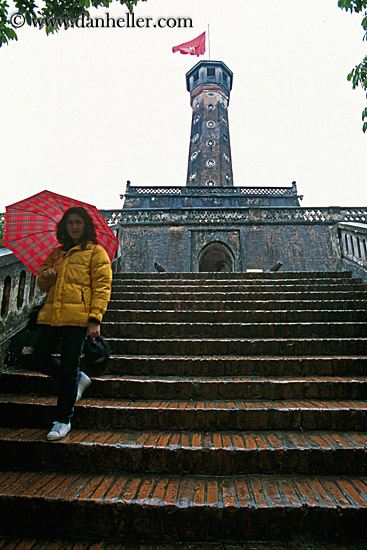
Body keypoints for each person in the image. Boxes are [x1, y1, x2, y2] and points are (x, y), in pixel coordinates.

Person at [32, 206, 112, 441]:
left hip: (78, 318)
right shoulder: (57, 254)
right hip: (51, 315)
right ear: (64, 227)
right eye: (70, 222)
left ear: (86, 226)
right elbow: (41, 284)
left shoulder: (96, 253)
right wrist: (46, 276)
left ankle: (63, 419)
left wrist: (95, 318)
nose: (75, 226)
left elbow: (102, 286)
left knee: (68, 367)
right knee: (38, 357)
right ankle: (79, 378)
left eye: (78, 222)